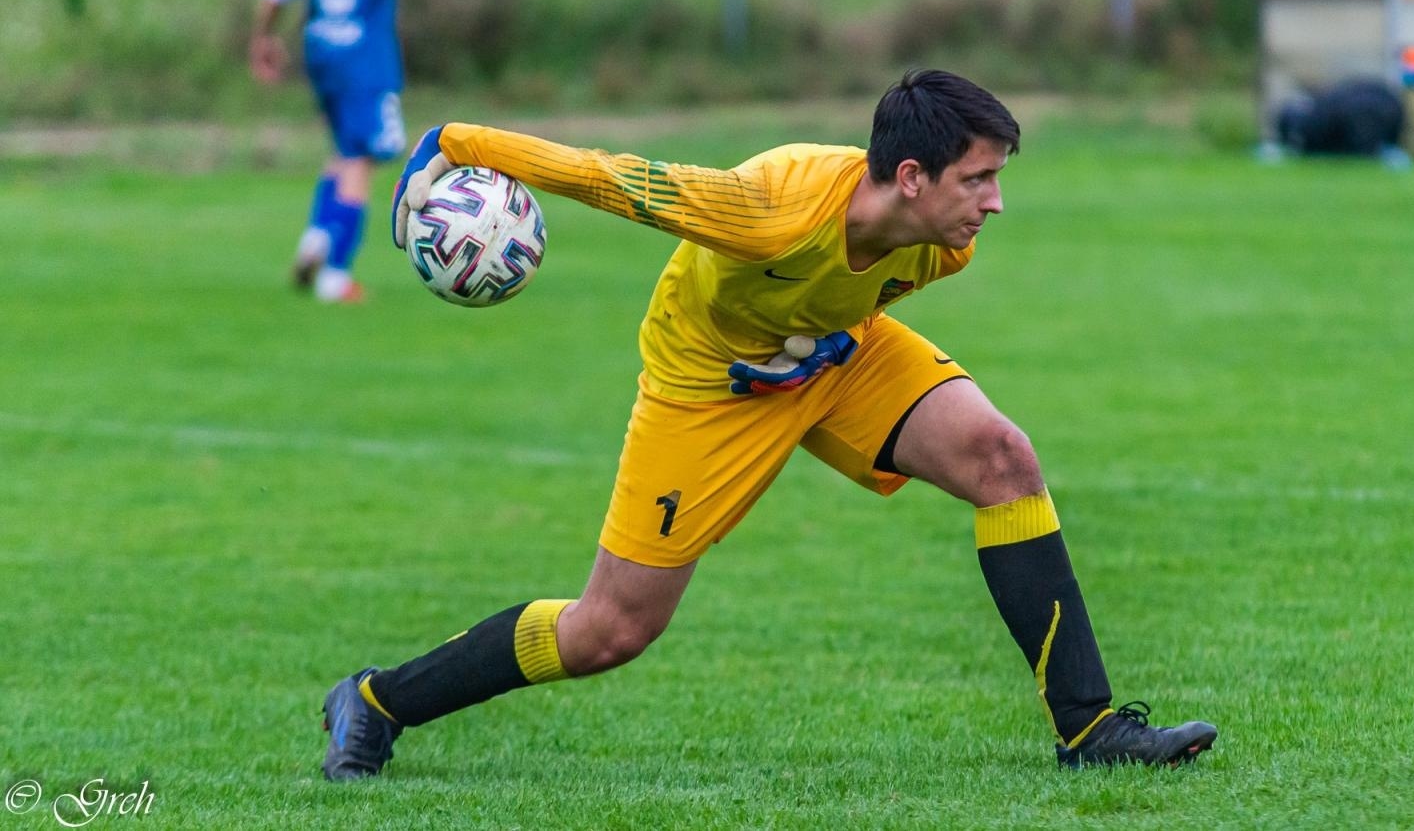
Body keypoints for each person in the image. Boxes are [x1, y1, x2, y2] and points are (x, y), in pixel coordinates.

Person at [319, 70, 1218, 779]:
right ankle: (378, 701)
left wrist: (814, 347)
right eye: (978, 178)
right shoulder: (770, 208)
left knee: (1002, 457)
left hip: (836, 357)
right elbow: (611, 179)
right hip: (707, 384)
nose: (994, 202)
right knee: (611, 631)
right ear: (912, 178)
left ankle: (1090, 727)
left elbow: (848, 300)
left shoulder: (945, 244)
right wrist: (451, 144)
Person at [250, 0, 478, 302]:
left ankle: (316, 236)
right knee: (362, 159)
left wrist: (262, 40)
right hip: (365, 56)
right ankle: (335, 275)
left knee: (342, 150)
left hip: (320, 51)